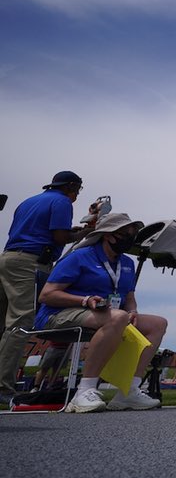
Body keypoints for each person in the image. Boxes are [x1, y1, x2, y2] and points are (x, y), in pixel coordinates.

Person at [34, 212, 167, 412]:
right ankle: (83, 391)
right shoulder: (80, 257)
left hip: (108, 316)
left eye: (132, 233)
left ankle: (128, 391)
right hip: (59, 314)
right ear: (108, 235)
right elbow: (46, 295)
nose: (130, 237)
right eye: (125, 233)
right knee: (118, 317)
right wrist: (85, 300)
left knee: (158, 323)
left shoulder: (127, 263)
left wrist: (133, 311)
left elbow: (129, 298)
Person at [0, 171, 91, 403]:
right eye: (77, 190)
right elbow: (59, 237)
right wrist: (84, 233)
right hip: (30, 262)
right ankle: (3, 387)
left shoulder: (29, 201)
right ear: (71, 186)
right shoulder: (62, 201)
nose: (76, 195)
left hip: (8, 257)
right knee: (20, 323)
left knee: (3, 324)